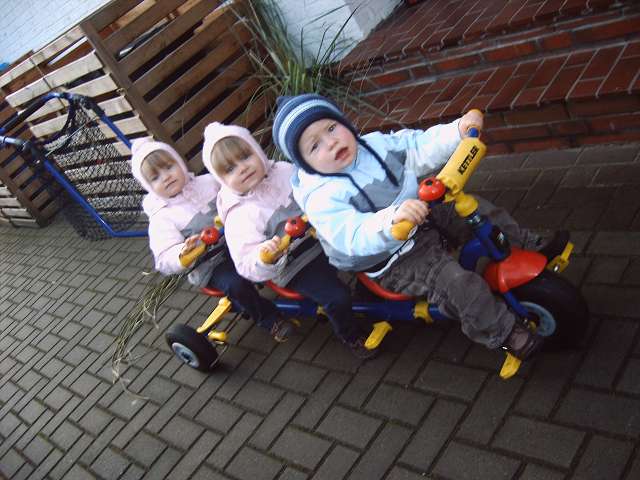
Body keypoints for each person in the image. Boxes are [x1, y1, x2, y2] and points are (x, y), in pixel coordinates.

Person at [272, 93, 569, 361]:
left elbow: (417, 146)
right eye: (314, 145)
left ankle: (527, 244)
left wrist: (458, 131)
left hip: (421, 215)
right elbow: (352, 234)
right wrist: (391, 220)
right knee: (456, 282)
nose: (331, 142)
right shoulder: (322, 197)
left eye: (331, 128)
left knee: (476, 210)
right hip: (393, 256)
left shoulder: (374, 145)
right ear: (304, 163)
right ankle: (503, 331)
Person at [201, 122, 376, 359]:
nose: (243, 168)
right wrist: (264, 256)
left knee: (369, 249)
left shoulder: (284, 171)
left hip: (322, 237)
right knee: (336, 296)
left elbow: (316, 185)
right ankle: (350, 334)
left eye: (245, 157)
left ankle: (368, 295)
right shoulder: (239, 215)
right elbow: (245, 262)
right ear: (220, 179)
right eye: (230, 169)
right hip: (295, 263)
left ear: (257, 150)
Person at [130, 138, 291, 342]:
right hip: (212, 263)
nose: (166, 177)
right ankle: (268, 318)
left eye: (169, 167)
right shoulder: (162, 218)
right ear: (148, 186)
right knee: (236, 284)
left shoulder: (209, 182)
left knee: (275, 244)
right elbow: (163, 257)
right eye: (155, 177)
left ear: (179, 162)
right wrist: (182, 252)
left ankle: (296, 278)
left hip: (239, 243)